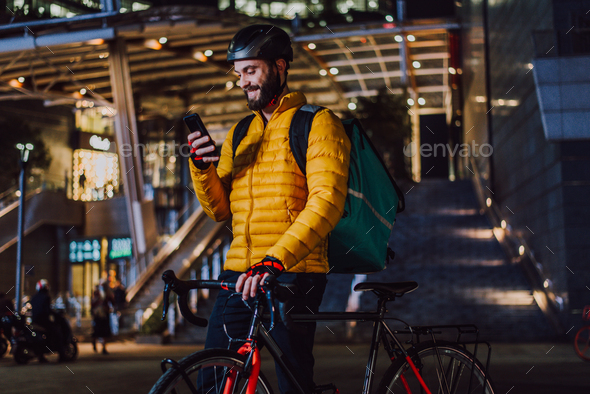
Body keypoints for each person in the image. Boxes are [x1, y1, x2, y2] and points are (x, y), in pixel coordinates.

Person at [188, 24, 351, 394]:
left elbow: (326, 203)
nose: (243, 81)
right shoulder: (241, 132)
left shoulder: (317, 123)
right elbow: (218, 208)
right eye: (238, 73)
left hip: (292, 272)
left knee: (292, 378)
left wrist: (275, 260)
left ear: (280, 66)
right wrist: (201, 167)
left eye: (251, 70)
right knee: (215, 376)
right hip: (238, 273)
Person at [30, 279, 64, 362]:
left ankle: (41, 355)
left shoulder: (33, 297)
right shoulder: (46, 297)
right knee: (57, 333)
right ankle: (62, 355)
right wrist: (55, 314)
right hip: (43, 322)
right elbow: (47, 311)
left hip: (34, 321)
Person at [91, 280, 113, 355]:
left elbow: (112, 301)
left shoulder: (105, 294)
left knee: (103, 332)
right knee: (99, 331)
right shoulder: (99, 294)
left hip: (103, 315)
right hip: (100, 315)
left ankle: (103, 347)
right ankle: (97, 344)